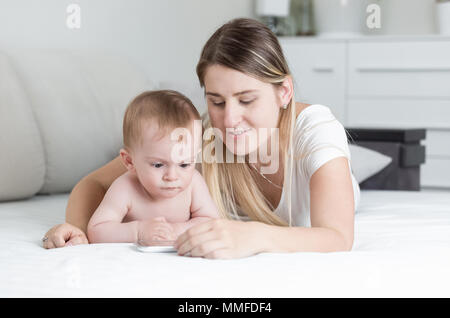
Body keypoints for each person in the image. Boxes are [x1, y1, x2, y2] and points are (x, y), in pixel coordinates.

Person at [43, 18, 360, 259]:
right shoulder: (202, 135)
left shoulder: (315, 131)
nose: (229, 120)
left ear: (284, 92)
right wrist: (79, 230)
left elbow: (337, 237)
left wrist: (253, 236)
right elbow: (93, 184)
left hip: (336, 181)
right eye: (217, 101)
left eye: (247, 100)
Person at [87, 90, 220, 245]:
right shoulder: (125, 188)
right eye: (158, 165)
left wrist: (177, 230)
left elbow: (212, 222)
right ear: (130, 161)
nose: (172, 176)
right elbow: (97, 231)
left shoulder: (194, 184)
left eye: (184, 164)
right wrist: (138, 231)